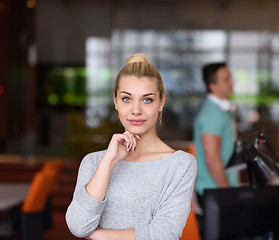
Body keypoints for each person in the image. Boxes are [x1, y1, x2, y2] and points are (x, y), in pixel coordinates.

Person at [65, 53, 197, 240]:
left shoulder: (181, 164)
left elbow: (165, 234)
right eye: (127, 98)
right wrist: (109, 161)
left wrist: (98, 236)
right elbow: (78, 226)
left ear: (161, 102)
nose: (136, 110)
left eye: (147, 99)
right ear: (115, 101)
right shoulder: (94, 161)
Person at [193, 62, 237, 206]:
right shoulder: (213, 115)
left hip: (216, 191)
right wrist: (228, 193)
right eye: (226, 79)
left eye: (230, 78)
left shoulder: (220, 111)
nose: (232, 82)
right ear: (212, 86)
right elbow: (212, 159)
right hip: (215, 192)